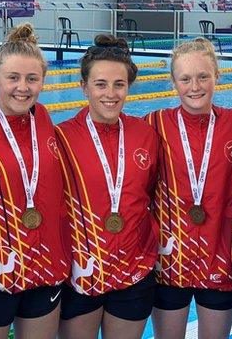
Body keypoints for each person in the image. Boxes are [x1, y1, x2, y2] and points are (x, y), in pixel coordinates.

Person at [0, 23, 69, 339]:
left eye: (32, 79)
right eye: (13, 78)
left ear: (43, 82)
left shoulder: (45, 119)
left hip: (46, 263)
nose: (23, 87)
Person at [56, 35, 159, 339]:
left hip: (134, 272)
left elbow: (153, 195)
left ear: (129, 86)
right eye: (100, 84)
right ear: (84, 87)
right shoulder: (60, 138)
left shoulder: (146, 134)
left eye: (119, 84)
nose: (110, 94)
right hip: (79, 273)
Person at [145, 38, 232, 339]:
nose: (195, 86)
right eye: (185, 78)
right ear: (173, 82)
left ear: (217, 76)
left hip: (221, 257)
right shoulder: (153, 124)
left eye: (203, 76)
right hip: (169, 261)